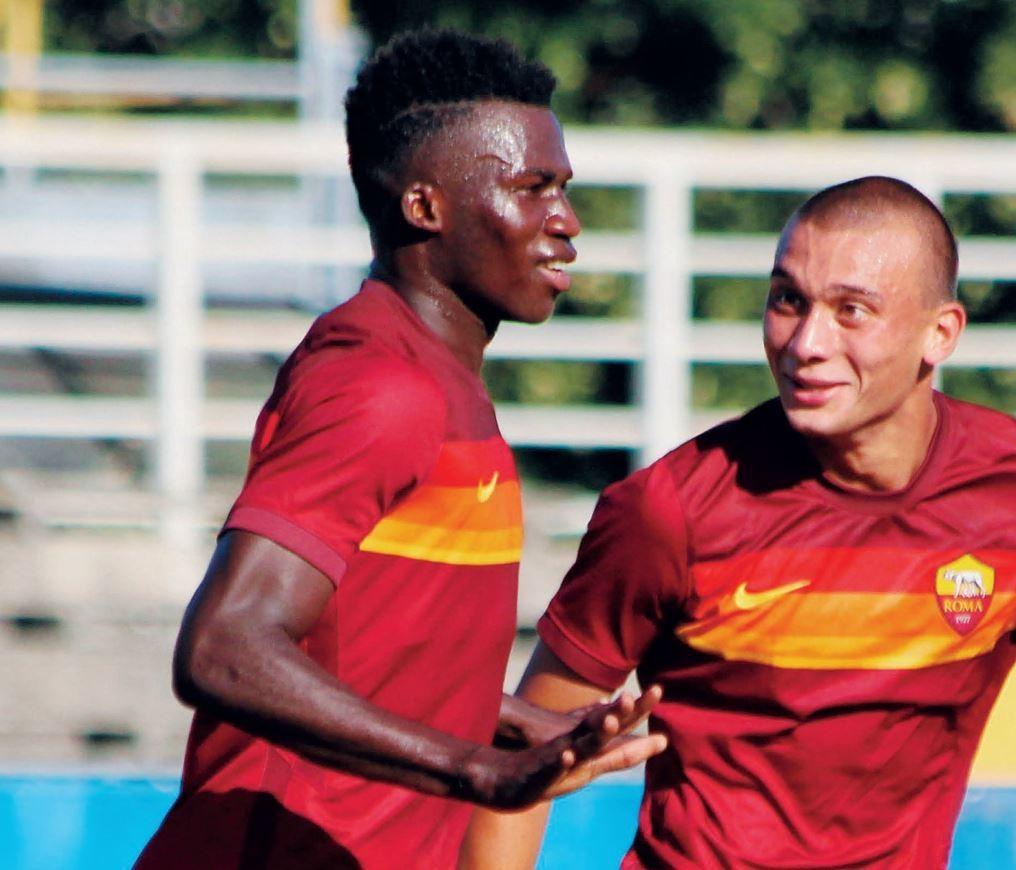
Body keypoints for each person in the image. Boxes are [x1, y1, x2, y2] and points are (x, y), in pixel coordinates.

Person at [464, 177, 1016, 868]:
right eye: (787, 299)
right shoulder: (669, 511)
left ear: (940, 333)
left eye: (850, 310)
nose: (805, 343)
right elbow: (521, 768)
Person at [135, 29, 665, 870]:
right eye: (532, 190)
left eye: (563, 189)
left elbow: (357, 648)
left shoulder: (436, 378)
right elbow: (225, 644)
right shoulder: (381, 388)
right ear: (424, 208)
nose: (565, 223)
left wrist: (504, 721)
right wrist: (475, 767)